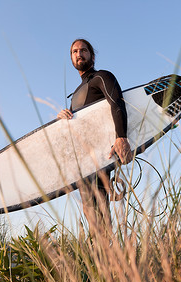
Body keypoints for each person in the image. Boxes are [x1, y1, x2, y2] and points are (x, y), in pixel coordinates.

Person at [57, 38, 132, 234]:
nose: (79, 54)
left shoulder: (102, 77)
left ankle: (106, 255)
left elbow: (117, 103)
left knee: (98, 206)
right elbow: (77, 129)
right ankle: (100, 255)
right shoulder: (75, 95)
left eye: (83, 50)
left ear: (92, 55)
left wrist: (121, 137)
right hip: (84, 160)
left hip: (102, 154)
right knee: (89, 209)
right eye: (74, 51)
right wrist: (63, 119)